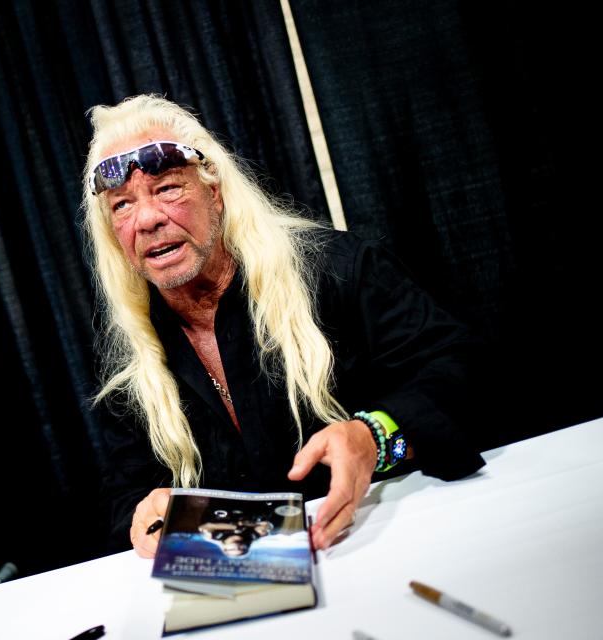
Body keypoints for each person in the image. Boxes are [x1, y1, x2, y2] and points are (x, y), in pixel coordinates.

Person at [81, 94, 486, 557]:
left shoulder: (339, 271)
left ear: (214, 193)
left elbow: (465, 373)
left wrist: (375, 437)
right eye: (122, 205)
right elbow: (125, 501)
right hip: (251, 580)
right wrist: (146, 514)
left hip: (391, 544)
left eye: (168, 188)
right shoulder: (134, 356)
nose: (148, 219)